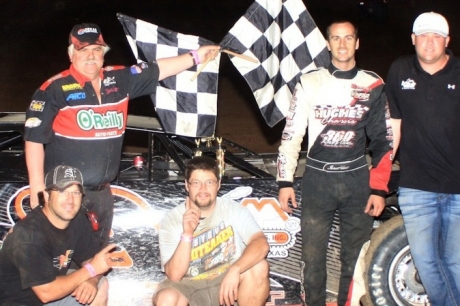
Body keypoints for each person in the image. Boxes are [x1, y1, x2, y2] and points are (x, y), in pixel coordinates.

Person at [24, 23, 220, 247]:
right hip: (66, 195)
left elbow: (158, 69)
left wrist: (196, 56)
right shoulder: (53, 89)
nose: (90, 56)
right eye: (83, 50)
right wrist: (37, 190)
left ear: (103, 54)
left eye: (96, 50)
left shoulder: (118, 80)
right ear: (71, 53)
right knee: (62, 261)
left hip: (102, 194)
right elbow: (33, 140)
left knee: (95, 262)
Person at [276, 21, 393, 306]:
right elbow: (292, 133)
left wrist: (378, 189)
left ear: (357, 43)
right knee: (312, 257)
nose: (342, 44)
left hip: (357, 181)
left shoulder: (373, 83)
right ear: (328, 44)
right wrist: (285, 181)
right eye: (336, 38)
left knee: (354, 259)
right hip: (318, 180)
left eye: (348, 38)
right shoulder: (309, 81)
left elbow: (382, 140)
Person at [386, 12, 460, 305]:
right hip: (416, 187)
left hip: (458, 189)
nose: (430, 42)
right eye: (424, 36)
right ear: (414, 39)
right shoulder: (400, 70)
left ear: (447, 41)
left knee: (455, 264)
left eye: (437, 36)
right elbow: (394, 125)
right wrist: (381, 174)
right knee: (427, 265)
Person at [153, 156, 270, 306]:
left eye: (209, 182)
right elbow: (174, 275)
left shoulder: (233, 209)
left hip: (225, 279)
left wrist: (236, 269)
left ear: (218, 185)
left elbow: (260, 243)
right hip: (188, 284)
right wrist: (187, 234)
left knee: (259, 267)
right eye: (196, 183)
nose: (203, 189)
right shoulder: (172, 218)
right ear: (187, 186)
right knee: (167, 299)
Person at [0, 165, 116, 306]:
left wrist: (92, 279)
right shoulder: (29, 236)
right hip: (18, 301)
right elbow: (46, 293)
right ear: (47, 195)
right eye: (62, 192)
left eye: (76, 193)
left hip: (51, 292)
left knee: (99, 286)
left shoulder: (76, 219)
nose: (70, 200)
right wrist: (90, 270)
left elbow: (92, 260)